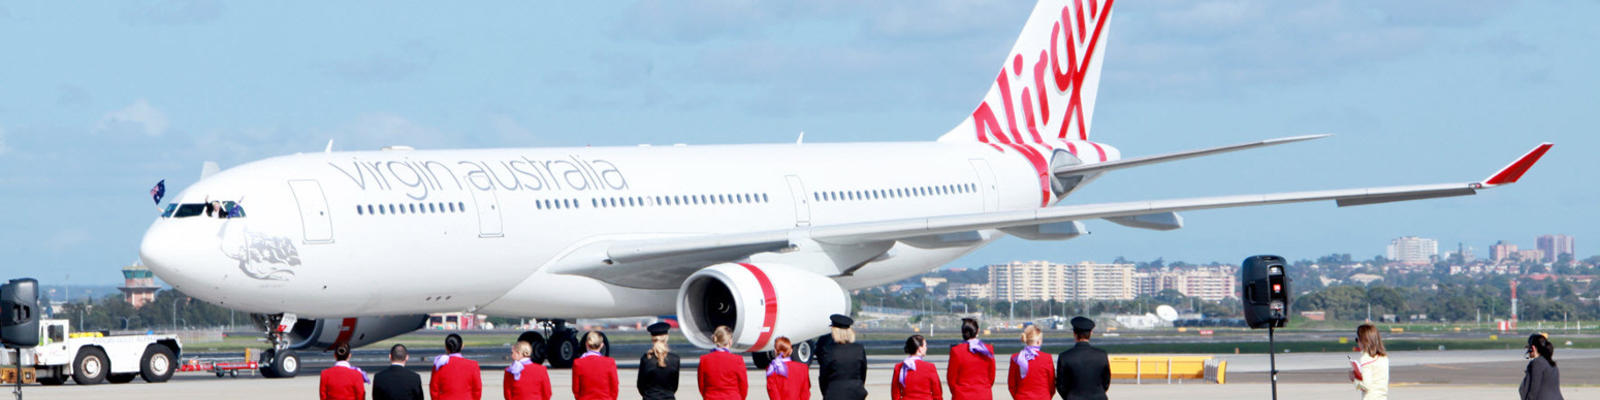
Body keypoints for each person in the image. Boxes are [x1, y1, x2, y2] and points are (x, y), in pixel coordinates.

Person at [1055, 317, 1109, 400]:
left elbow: (1061, 385)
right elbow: (1106, 382)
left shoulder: (1065, 357)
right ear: (1090, 333)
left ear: (1074, 334)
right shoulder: (1102, 355)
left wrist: (1069, 396)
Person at [818, 314, 868, 400]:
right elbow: (863, 373)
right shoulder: (858, 349)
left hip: (834, 393)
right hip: (856, 392)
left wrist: (827, 392)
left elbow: (823, 377)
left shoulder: (828, 350)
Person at [948, 318, 996, 400]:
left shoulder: (956, 350)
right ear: (977, 331)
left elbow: (951, 378)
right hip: (983, 394)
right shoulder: (987, 349)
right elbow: (991, 375)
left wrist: (957, 391)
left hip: (962, 395)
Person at [697, 326, 749, 400]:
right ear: (730, 341)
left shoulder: (704, 360)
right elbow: (743, 385)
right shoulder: (737, 360)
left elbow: (701, 385)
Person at [1006, 324, 1054, 400]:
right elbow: (1051, 384)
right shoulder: (1047, 358)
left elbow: (1011, 384)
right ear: (1039, 341)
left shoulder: (1016, 358)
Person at [431, 333, 483, 400]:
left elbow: (434, 390)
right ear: (462, 346)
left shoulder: (439, 364)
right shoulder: (473, 365)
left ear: (446, 347)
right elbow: (477, 390)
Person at [637, 322, 681, 400]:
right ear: (666, 338)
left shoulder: (646, 359)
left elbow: (641, 385)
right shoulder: (675, 359)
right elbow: (674, 385)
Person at [892, 335, 941, 400]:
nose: (926, 348)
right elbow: (937, 393)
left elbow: (895, 393)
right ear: (919, 349)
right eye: (925, 345)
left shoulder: (899, 367)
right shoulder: (930, 367)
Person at [573, 331, 620, 400]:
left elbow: (576, 389)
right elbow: (614, 387)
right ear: (602, 345)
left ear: (586, 344)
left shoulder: (578, 363)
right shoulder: (610, 362)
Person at [1520, 333, 1564, 400]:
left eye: (1529, 348)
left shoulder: (1537, 363)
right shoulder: (1551, 363)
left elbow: (1534, 389)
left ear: (1533, 348)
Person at [1350, 324, 1389, 400]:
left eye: (1357, 339)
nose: (1357, 343)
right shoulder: (1384, 358)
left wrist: (1354, 380)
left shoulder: (1366, 359)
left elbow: (1366, 386)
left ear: (1364, 341)